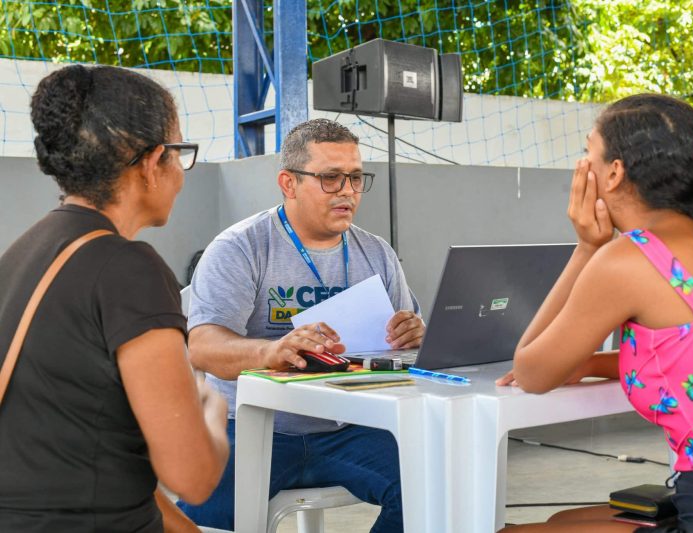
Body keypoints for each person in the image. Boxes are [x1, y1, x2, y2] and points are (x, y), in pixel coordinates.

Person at [497, 94, 693, 532]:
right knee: (567, 518)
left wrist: (587, 247)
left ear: (615, 172)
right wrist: (593, 363)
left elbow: (531, 372)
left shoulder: (629, 260)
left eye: (588, 153)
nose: (584, 167)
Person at [0, 65, 229, 532]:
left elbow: (86, 445)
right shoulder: (129, 270)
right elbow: (193, 477)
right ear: (151, 163)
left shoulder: (23, 252)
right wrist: (213, 411)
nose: (181, 177)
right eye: (179, 154)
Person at [178, 118, 425, 532]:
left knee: (433, 484)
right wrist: (269, 352)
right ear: (288, 184)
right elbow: (201, 346)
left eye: (356, 178)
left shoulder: (377, 253)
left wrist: (414, 332)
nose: (348, 190)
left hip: (345, 430)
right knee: (202, 514)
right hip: (251, 427)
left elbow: (406, 350)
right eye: (331, 178)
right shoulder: (240, 248)